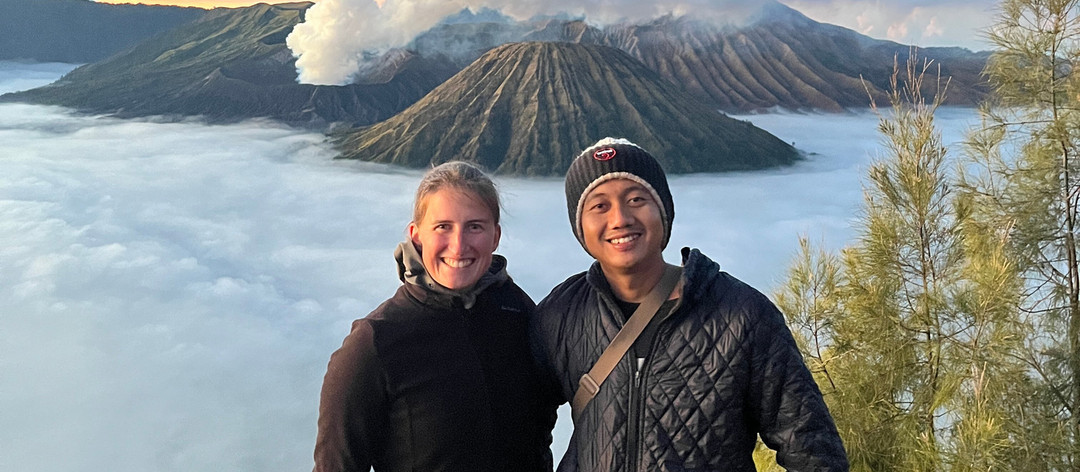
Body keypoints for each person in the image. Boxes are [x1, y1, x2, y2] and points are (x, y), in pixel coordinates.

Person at [533, 137, 848, 472]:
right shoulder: (561, 314)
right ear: (580, 227)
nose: (620, 218)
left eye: (636, 199)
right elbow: (522, 433)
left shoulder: (742, 316)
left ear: (663, 212)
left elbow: (812, 450)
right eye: (599, 206)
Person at [314, 160, 555, 472]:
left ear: (495, 236)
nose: (458, 245)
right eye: (443, 227)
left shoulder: (519, 314)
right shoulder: (375, 343)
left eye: (475, 227)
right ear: (416, 236)